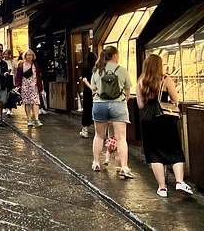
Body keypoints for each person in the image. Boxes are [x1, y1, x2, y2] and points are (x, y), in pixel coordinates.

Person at [137, 54, 192, 196]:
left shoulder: (141, 81)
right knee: (174, 149)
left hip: (148, 118)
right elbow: (176, 99)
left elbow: (140, 104)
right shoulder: (166, 79)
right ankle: (179, 181)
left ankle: (162, 188)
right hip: (164, 117)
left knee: (155, 153)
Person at [90, 46, 133, 178]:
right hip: (118, 105)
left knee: (99, 135)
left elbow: (93, 90)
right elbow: (127, 92)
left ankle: (96, 162)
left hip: (99, 105)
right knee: (121, 138)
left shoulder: (97, 71)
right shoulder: (122, 70)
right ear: (114, 56)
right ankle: (124, 167)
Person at [14, 49, 44, 127]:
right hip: (25, 86)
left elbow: (38, 77)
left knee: (36, 102)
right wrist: (17, 86)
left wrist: (40, 87)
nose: (29, 57)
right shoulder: (21, 65)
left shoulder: (35, 65)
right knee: (27, 103)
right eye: (28, 55)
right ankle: (29, 119)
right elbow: (18, 76)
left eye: (31, 55)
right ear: (25, 56)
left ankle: (37, 119)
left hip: (34, 86)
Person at [79, 52, 98, 138]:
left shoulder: (85, 67)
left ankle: (85, 129)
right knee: (96, 109)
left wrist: (91, 88)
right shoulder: (97, 68)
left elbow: (84, 80)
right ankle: (98, 130)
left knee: (86, 109)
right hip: (97, 91)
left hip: (87, 91)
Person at [2, 49, 18, 116]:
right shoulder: (2, 62)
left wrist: (16, 80)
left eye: (6, 54)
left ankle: (10, 108)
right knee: (5, 94)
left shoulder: (13, 62)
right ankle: (4, 107)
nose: (5, 55)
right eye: (4, 54)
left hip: (12, 79)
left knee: (11, 94)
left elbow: (16, 71)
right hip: (5, 79)